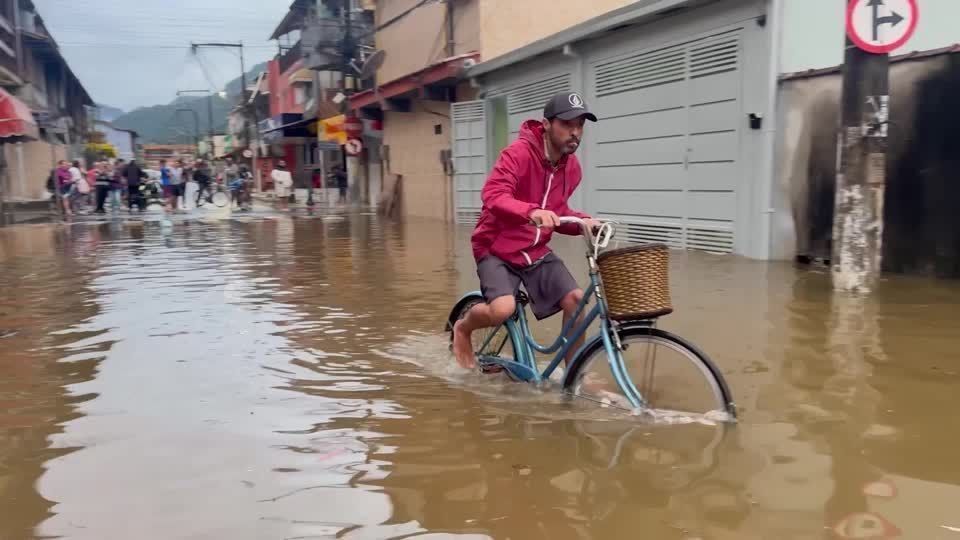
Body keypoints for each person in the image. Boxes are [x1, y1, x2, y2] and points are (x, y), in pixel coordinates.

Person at [451, 92, 601, 370]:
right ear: (546, 124)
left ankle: (574, 376)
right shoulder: (518, 154)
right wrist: (530, 212)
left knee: (577, 299)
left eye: (580, 125)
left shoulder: (572, 169)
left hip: (535, 251)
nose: (575, 132)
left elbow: (557, 210)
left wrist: (585, 223)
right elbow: (493, 194)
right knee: (502, 309)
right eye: (567, 124)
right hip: (496, 247)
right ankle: (463, 328)